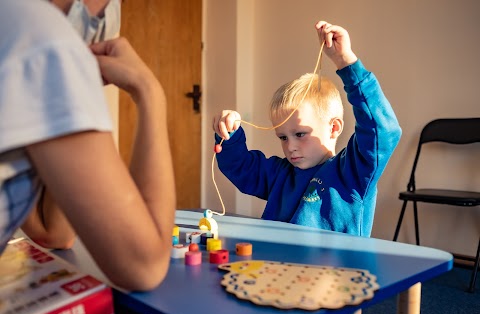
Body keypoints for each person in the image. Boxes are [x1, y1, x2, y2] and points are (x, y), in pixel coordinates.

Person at [0, 0, 176, 291]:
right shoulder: (39, 34)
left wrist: (77, 97)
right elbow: (144, 266)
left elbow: (55, 234)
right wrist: (150, 92)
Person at [213, 21, 402, 238]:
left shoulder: (352, 171)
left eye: (300, 134)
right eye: (282, 137)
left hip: (334, 271)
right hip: (277, 268)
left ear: (333, 128)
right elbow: (239, 166)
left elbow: (382, 130)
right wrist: (229, 134)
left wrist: (345, 61)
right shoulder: (279, 174)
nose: (290, 146)